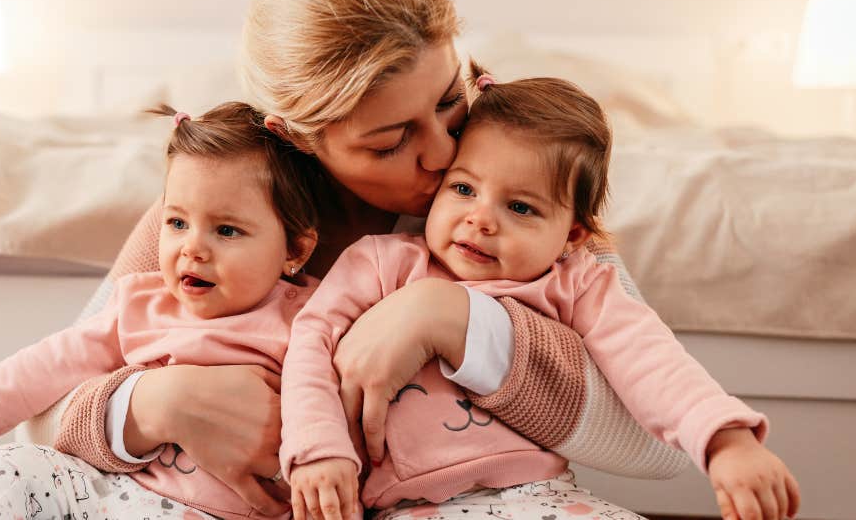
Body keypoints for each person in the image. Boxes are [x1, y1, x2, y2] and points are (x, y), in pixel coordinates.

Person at [0, 0, 694, 520]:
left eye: (451, 99)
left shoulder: (506, 193)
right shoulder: (223, 212)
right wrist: (154, 405)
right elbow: (41, 419)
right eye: (391, 139)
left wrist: (456, 316)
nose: (442, 151)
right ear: (297, 136)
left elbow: (658, 442)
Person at [282, 63, 801, 520]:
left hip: (542, 494)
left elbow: (650, 359)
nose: (480, 220)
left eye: (522, 208)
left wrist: (727, 441)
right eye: (463, 189)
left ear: (572, 234)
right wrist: (318, 450)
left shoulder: (577, 279)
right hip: (411, 505)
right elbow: (310, 343)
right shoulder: (383, 261)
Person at [0, 103, 323, 520]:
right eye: (176, 223)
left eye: (226, 230)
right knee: (13, 466)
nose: (192, 247)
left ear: (296, 249)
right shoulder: (141, 302)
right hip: (110, 496)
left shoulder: (313, 319)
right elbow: (47, 366)